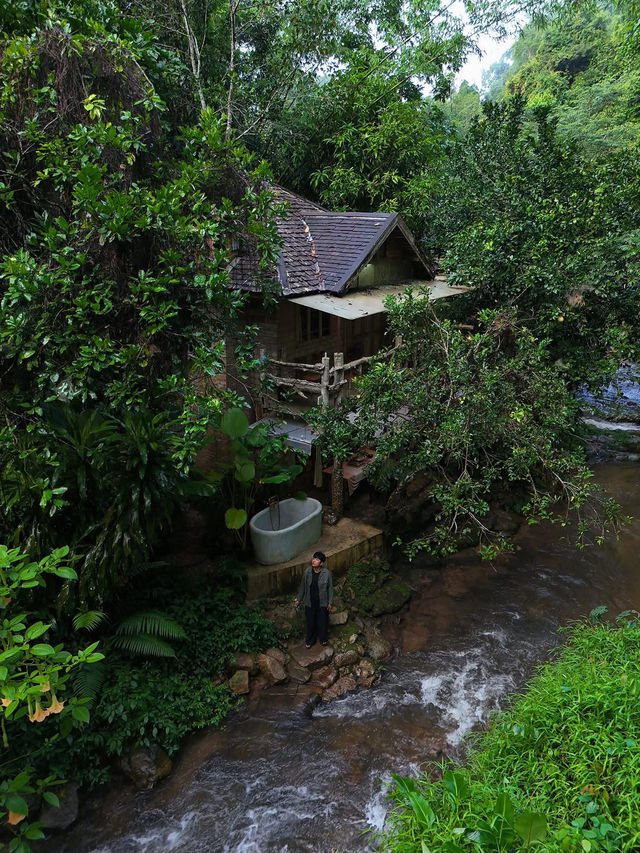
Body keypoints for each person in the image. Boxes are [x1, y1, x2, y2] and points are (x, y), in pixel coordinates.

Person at [294, 551, 334, 648]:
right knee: (310, 622)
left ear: (321, 563)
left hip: (322, 602)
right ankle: (310, 640)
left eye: (317, 559)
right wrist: (299, 599)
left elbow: (330, 589)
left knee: (322, 621)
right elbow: (303, 587)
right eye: (313, 558)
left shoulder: (327, 574)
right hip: (310, 602)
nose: (314, 561)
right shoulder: (307, 572)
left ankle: (323, 639)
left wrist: (330, 602)